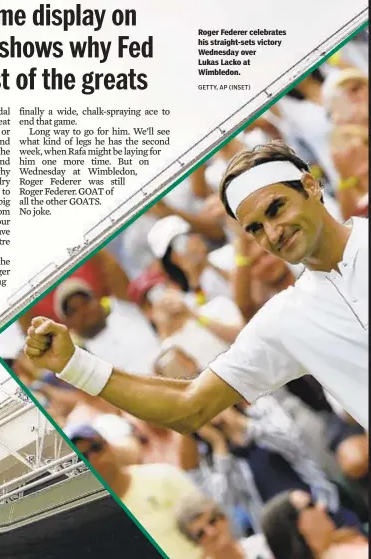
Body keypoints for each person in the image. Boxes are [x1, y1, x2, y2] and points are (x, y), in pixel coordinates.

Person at [23, 141, 368, 436]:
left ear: (310, 186)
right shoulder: (284, 318)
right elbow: (188, 406)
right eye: (256, 228)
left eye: (276, 209)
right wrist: (73, 364)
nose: (273, 233)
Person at [64, 422, 204, 559]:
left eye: (96, 447)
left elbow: (211, 526)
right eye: (82, 457)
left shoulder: (162, 477)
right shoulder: (92, 515)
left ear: (109, 446)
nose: (94, 459)